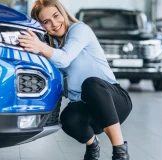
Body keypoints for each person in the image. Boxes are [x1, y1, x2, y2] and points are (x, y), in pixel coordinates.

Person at [18, 0, 132, 159]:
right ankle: (93, 145)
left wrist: (41, 47)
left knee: (91, 84)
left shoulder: (80, 29)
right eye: (46, 22)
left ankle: (120, 152)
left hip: (114, 101)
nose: (54, 24)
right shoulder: (52, 47)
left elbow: (64, 59)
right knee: (68, 119)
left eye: (56, 16)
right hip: (87, 107)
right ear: (41, 26)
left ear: (63, 12)